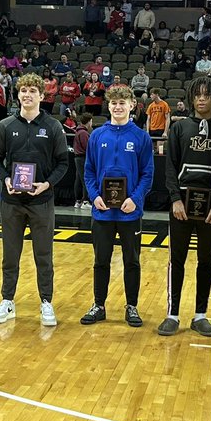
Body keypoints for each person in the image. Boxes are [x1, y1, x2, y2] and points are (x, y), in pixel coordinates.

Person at [0, 73, 70, 326]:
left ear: (41, 96)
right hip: (11, 202)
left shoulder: (53, 126)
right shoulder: (5, 125)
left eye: (33, 90)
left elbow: (63, 163)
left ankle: (46, 302)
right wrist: (6, 180)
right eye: (23, 90)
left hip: (41, 201)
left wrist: (46, 183)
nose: (27, 94)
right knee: (10, 255)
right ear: (18, 94)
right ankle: (7, 300)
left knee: (43, 255)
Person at [80, 85, 154, 327]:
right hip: (102, 211)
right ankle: (98, 305)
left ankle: (131, 306)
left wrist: (135, 198)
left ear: (132, 105)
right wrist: (93, 196)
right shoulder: (98, 136)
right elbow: (89, 171)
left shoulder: (141, 137)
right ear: (108, 106)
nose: (118, 107)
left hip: (130, 212)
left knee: (131, 261)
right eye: (114, 103)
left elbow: (148, 174)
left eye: (123, 102)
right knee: (101, 260)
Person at [159, 76, 211, 337]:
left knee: (205, 260)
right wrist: (175, 198)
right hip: (181, 205)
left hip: (210, 206)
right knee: (177, 259)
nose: (201, 99)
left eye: (206, 95)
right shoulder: (179, 128)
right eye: (197, 94)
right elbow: (170, 167)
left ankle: (201, 315)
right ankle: (172, 314)